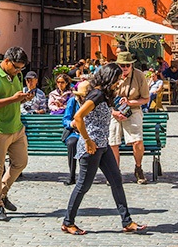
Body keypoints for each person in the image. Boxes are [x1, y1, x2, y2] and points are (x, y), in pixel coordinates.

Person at [62, 64, 145, 235]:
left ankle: (127, 221)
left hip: (103, 145)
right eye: (117, 79)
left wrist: (114, 113)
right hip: (91, 147)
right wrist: (87, 140)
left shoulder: (104, 95)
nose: (118, 82)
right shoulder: (97, 94)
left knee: (116, 180)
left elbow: (97, 114)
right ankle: (68, 222)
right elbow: (78, 117)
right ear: (109, 78)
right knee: (83, 185)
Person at [0, 47, 31, 221]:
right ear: (7, 61)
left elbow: (16, 97)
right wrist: (13, 99)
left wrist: (24, 98)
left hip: (17, 127)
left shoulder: (16, 75)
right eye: (17, 67)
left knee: (21, 163)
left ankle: (2, 193)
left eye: (21, 69)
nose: (19, 71)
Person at [107, 51, 152, 183]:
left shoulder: (139, 76)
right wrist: (113, 112)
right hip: (113, 111)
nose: (125, 68)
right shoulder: (111, 75)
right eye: (122, 65)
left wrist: (130, 102)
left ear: (132, 65)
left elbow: (145, 99)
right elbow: (103, 98)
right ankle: (115, 171)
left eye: (127, 65)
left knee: (137, 140)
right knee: (112, 142)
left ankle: (138, 168)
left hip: (132, 110)